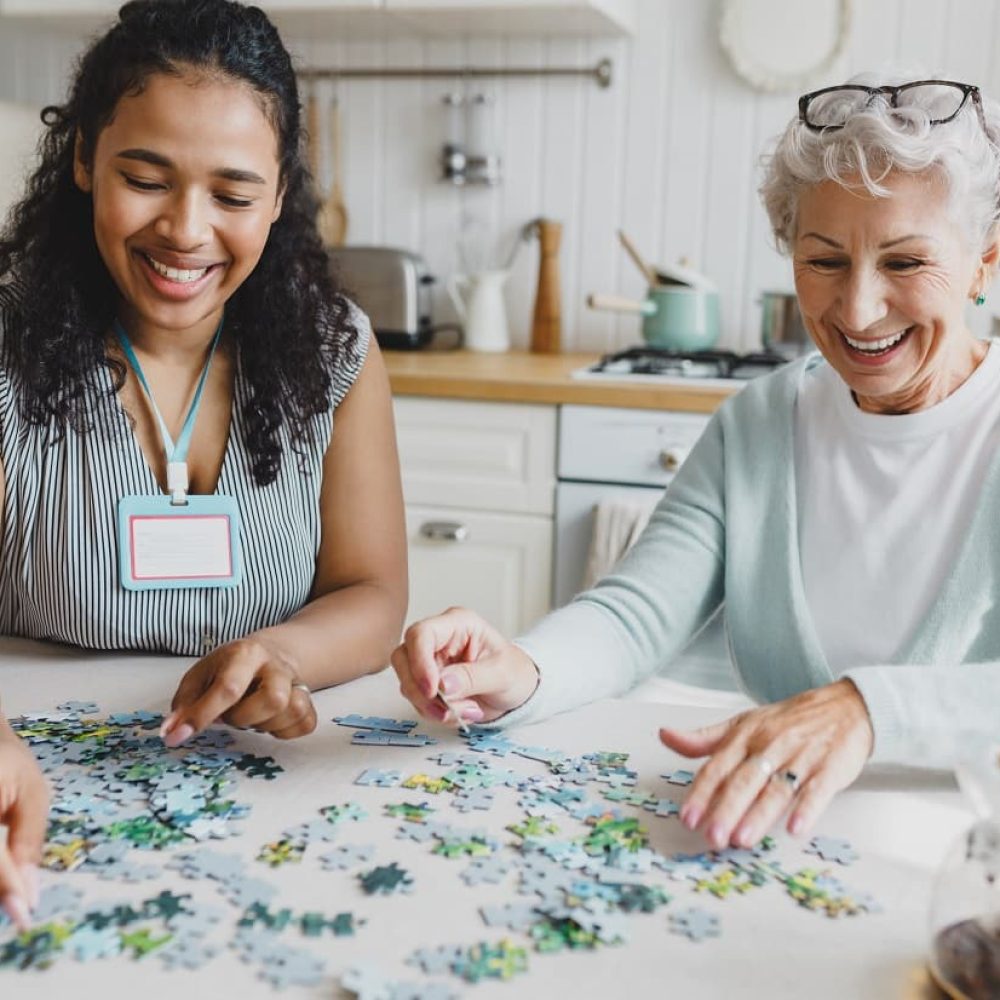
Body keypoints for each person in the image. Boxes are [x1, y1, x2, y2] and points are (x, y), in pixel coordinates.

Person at [394, 75, 1000, 852]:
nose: (857, 309)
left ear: (983, 261)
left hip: (963, 865)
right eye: (824, 261)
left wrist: (866, 708)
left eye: (906, 263)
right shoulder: (758, 422)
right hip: (763, 844)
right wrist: (521, 669)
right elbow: (634, 615)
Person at [0, 0, 407, 923]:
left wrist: (281, 654)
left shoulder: (335, 347)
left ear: (279, 194)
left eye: (231, 195)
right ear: (81, 161)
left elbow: (372, 592)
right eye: (145, 178)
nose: (186, 231)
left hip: (264, 802)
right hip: (36, 783)